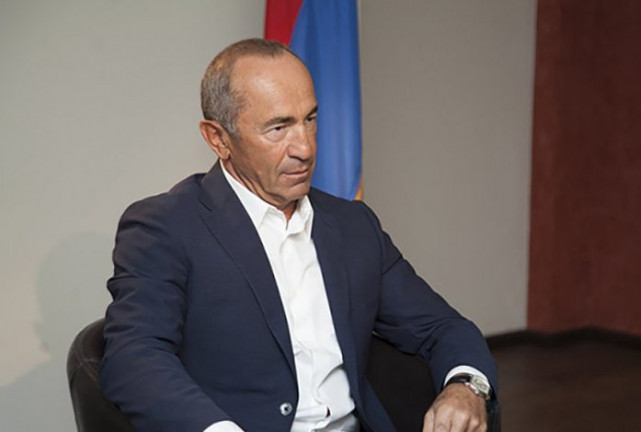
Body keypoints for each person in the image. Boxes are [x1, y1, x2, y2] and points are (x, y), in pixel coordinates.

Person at [100, 38, 497, 432]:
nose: (305, 148)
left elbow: (441, 326)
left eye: (310, 119)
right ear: (218, 138)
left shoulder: (353, 225)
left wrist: (467, 386)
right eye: (279, 128)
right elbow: (134, 357)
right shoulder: (165, 227)